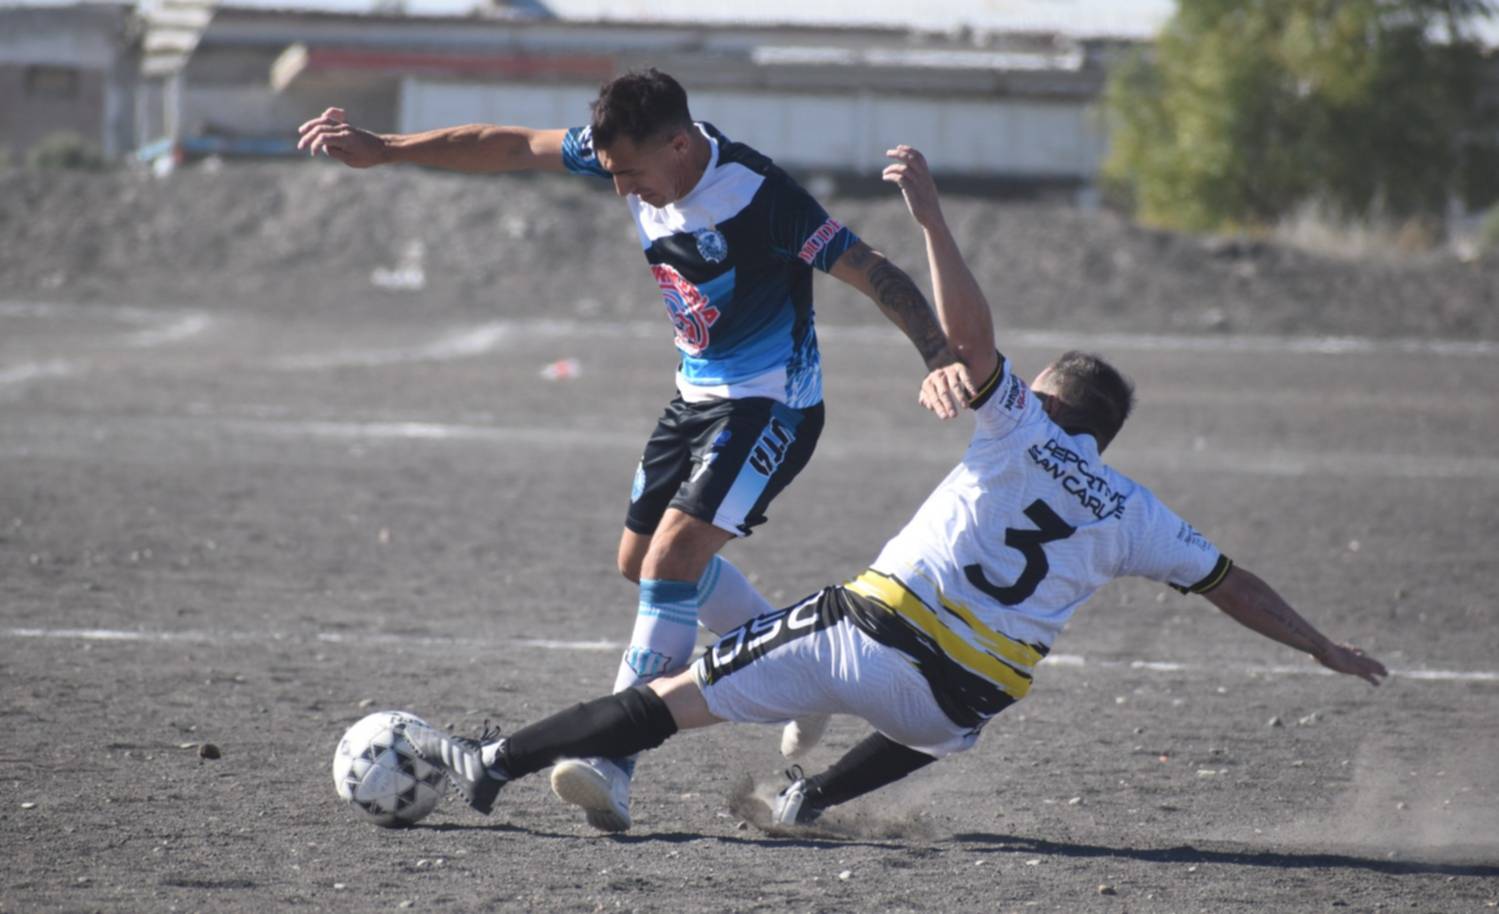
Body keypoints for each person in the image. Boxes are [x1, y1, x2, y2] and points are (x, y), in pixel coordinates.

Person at [395, 144, 1389, 831]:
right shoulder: (1138, 513)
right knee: (971, 703)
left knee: (658, 704)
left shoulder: (1019, 424)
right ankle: (810, 797)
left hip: (863, 638)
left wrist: (929, 217)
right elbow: (1234, 585)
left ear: (1051, 402)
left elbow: (970, 343)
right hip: (948, 709)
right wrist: (1319, 645)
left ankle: (491, 761)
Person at [298, 70, 970, 831]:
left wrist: (936, 356)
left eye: (630, 174)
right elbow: (508, 145)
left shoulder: (760, 196)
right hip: (695, 398)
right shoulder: (622, 152)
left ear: (679, 145)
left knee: (670, 563)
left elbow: (871, 269)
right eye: (610, 171)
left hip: (772, 405)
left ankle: (613, 762)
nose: (619, 188)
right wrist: (386, 149)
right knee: (639, 561)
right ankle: (796, 671)